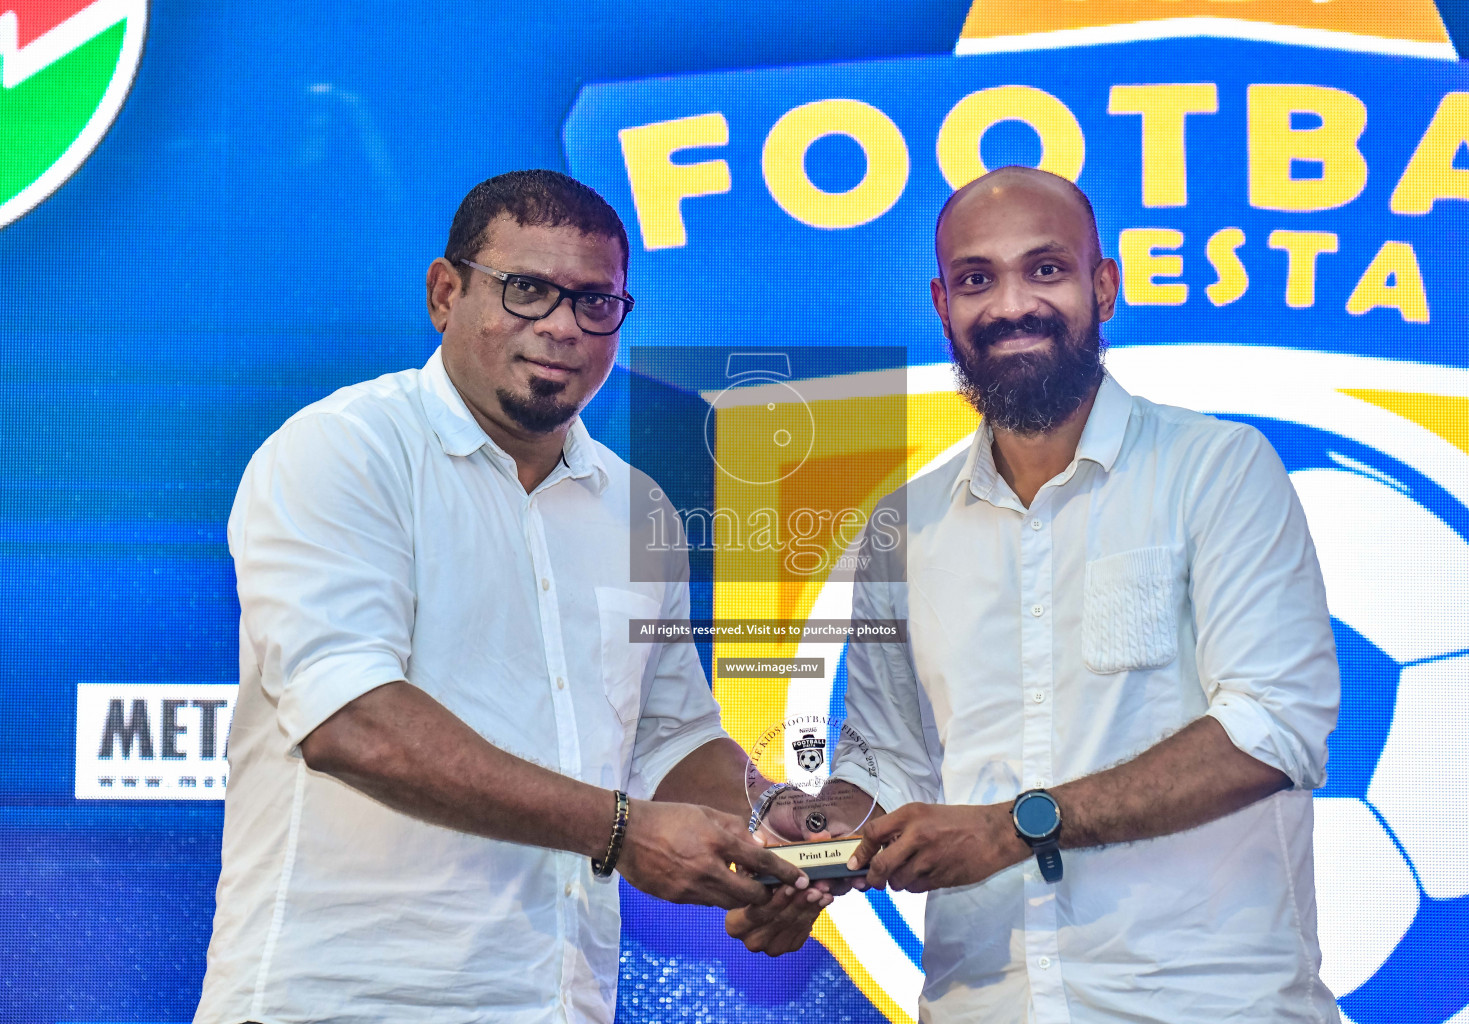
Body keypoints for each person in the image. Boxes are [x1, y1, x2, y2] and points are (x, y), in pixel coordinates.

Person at [194, 169, 824, 1024]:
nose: (563, 326)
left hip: (559, 1000)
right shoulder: (344, 453)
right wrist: (621, 831)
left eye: (596, 302)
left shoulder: (638, 508)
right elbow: (351, 721)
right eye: (528, 291)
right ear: (444, 293)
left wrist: (774, 823)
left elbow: (673, 737)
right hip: (341, 998)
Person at [828, 166, 1341, 1022]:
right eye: (976, 279)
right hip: (982, 1002)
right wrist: (816, 845)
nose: (1010, 304)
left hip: (1206, 1004)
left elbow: (1275, 725)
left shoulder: (1217, 469)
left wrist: (1012, 826)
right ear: (942, 304)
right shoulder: (903, 526)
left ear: (1104, 286)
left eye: (1046, 269)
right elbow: (887, 759)